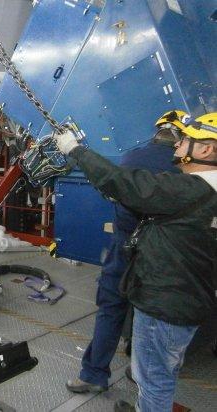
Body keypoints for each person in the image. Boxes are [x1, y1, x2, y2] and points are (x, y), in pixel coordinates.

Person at [54, 113, 217, 412]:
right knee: (157, 370)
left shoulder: (188, 188)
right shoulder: (198, 188)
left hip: (163, 294)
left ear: (206, 150)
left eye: (188, 140)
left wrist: (76, 151)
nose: (179, 146)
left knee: (152, 374)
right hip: (186, 292)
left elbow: (121, 183)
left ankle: (100, 376)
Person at [65, 110, 185, 394]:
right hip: (161, 253)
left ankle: (93, 374)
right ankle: (141, 372)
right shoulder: (182, 166)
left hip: (124, 246)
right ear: (181, 137)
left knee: (111, 309)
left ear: (155, 132)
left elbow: (115, 187)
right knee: (150, 314)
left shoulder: (132, 157)